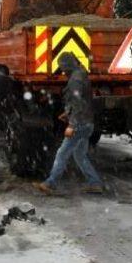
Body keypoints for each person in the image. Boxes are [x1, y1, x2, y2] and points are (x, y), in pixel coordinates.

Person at [34, 52, 103, 194]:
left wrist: (72, 124)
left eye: (63, 67)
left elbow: (78, 102)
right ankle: (95, 182)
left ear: (67, 65)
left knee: (62, 153)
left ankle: (50, 183)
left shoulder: (75, 79)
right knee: (79, 154)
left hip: (80, 123)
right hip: (87, 122)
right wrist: (68, 112)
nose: (62, 71)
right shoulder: (81, 74)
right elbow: (80, 101)